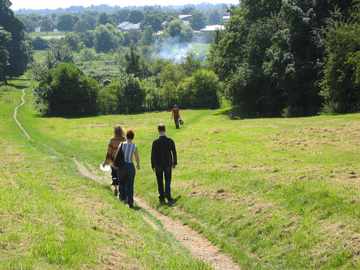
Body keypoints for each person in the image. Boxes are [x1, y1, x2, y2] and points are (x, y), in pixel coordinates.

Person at [151, 124, 177, 205]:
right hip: (168, 163)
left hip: (158, 164)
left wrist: (153, 165)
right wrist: (174, 162)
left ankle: (161, 197)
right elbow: (174, 152)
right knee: (168, 180)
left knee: (159, 181)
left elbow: (153, 155)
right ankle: (168, 196)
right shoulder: (170, 141)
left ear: (158, 130)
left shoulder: (155, 142)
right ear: (165, 130)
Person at [120, 129, 140, 208]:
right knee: (130, 184)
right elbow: (137, 157)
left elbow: (118, 155)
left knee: (123, 183)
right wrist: (138, 165)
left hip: (122, 166)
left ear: (126, 136)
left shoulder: (122, 144)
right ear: (133, 137)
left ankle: (123, 198)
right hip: (130, 166)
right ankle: (130, 202)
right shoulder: (134, 146)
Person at [103, 126, 126, 198]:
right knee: (122, 176)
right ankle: (121, 191)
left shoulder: (112, 140)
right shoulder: (124, 139)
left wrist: (106, 161)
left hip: (113, 161)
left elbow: (109, 152)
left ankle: (115, 188)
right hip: (122, 161)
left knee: (114, 175)